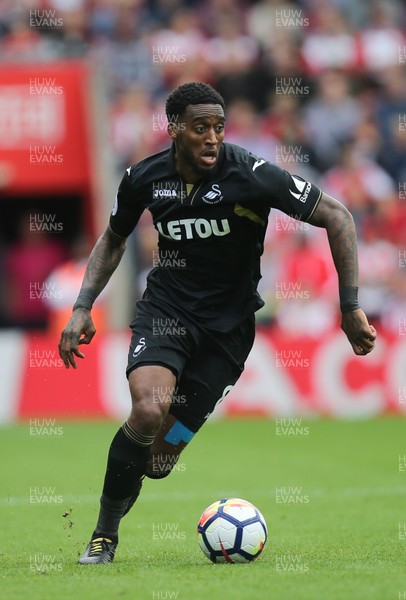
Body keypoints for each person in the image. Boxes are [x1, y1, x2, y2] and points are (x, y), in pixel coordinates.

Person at [58, 82, 377, 564]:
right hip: (166, 313)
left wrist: (349, 305)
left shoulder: (251, 174)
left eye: (218, 128)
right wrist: (83, 304)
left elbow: (338, 216)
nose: (212, 138)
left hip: (227, 334)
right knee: (147, 409)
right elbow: (114, 238)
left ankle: (128, 476)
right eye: (200, 127)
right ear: (175, 129)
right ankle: (104, 535)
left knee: (160, 461)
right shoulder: (143, 177)